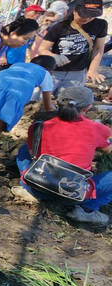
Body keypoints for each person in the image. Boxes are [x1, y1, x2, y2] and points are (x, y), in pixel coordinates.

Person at [16, 86, 112, 225]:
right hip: (72, 195)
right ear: (87, 108)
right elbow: (108, 150)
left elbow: (32, 153)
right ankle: (87, 210)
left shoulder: (40, 126)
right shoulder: (97, 128)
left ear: (58, 103)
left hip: (37, 183)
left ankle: (29, 191)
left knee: (24, 150)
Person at [37, 0, 109, 95]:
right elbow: (42, 49)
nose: (87, 18)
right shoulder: (60, 26)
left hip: (78, 73)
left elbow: (98, 48)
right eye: (83, 15)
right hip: (54, 72)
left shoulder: (101, 24)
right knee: (40, 100)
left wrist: (92, 71)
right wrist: (55, 56)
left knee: (68, 102)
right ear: (75, 11)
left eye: (91, 16)